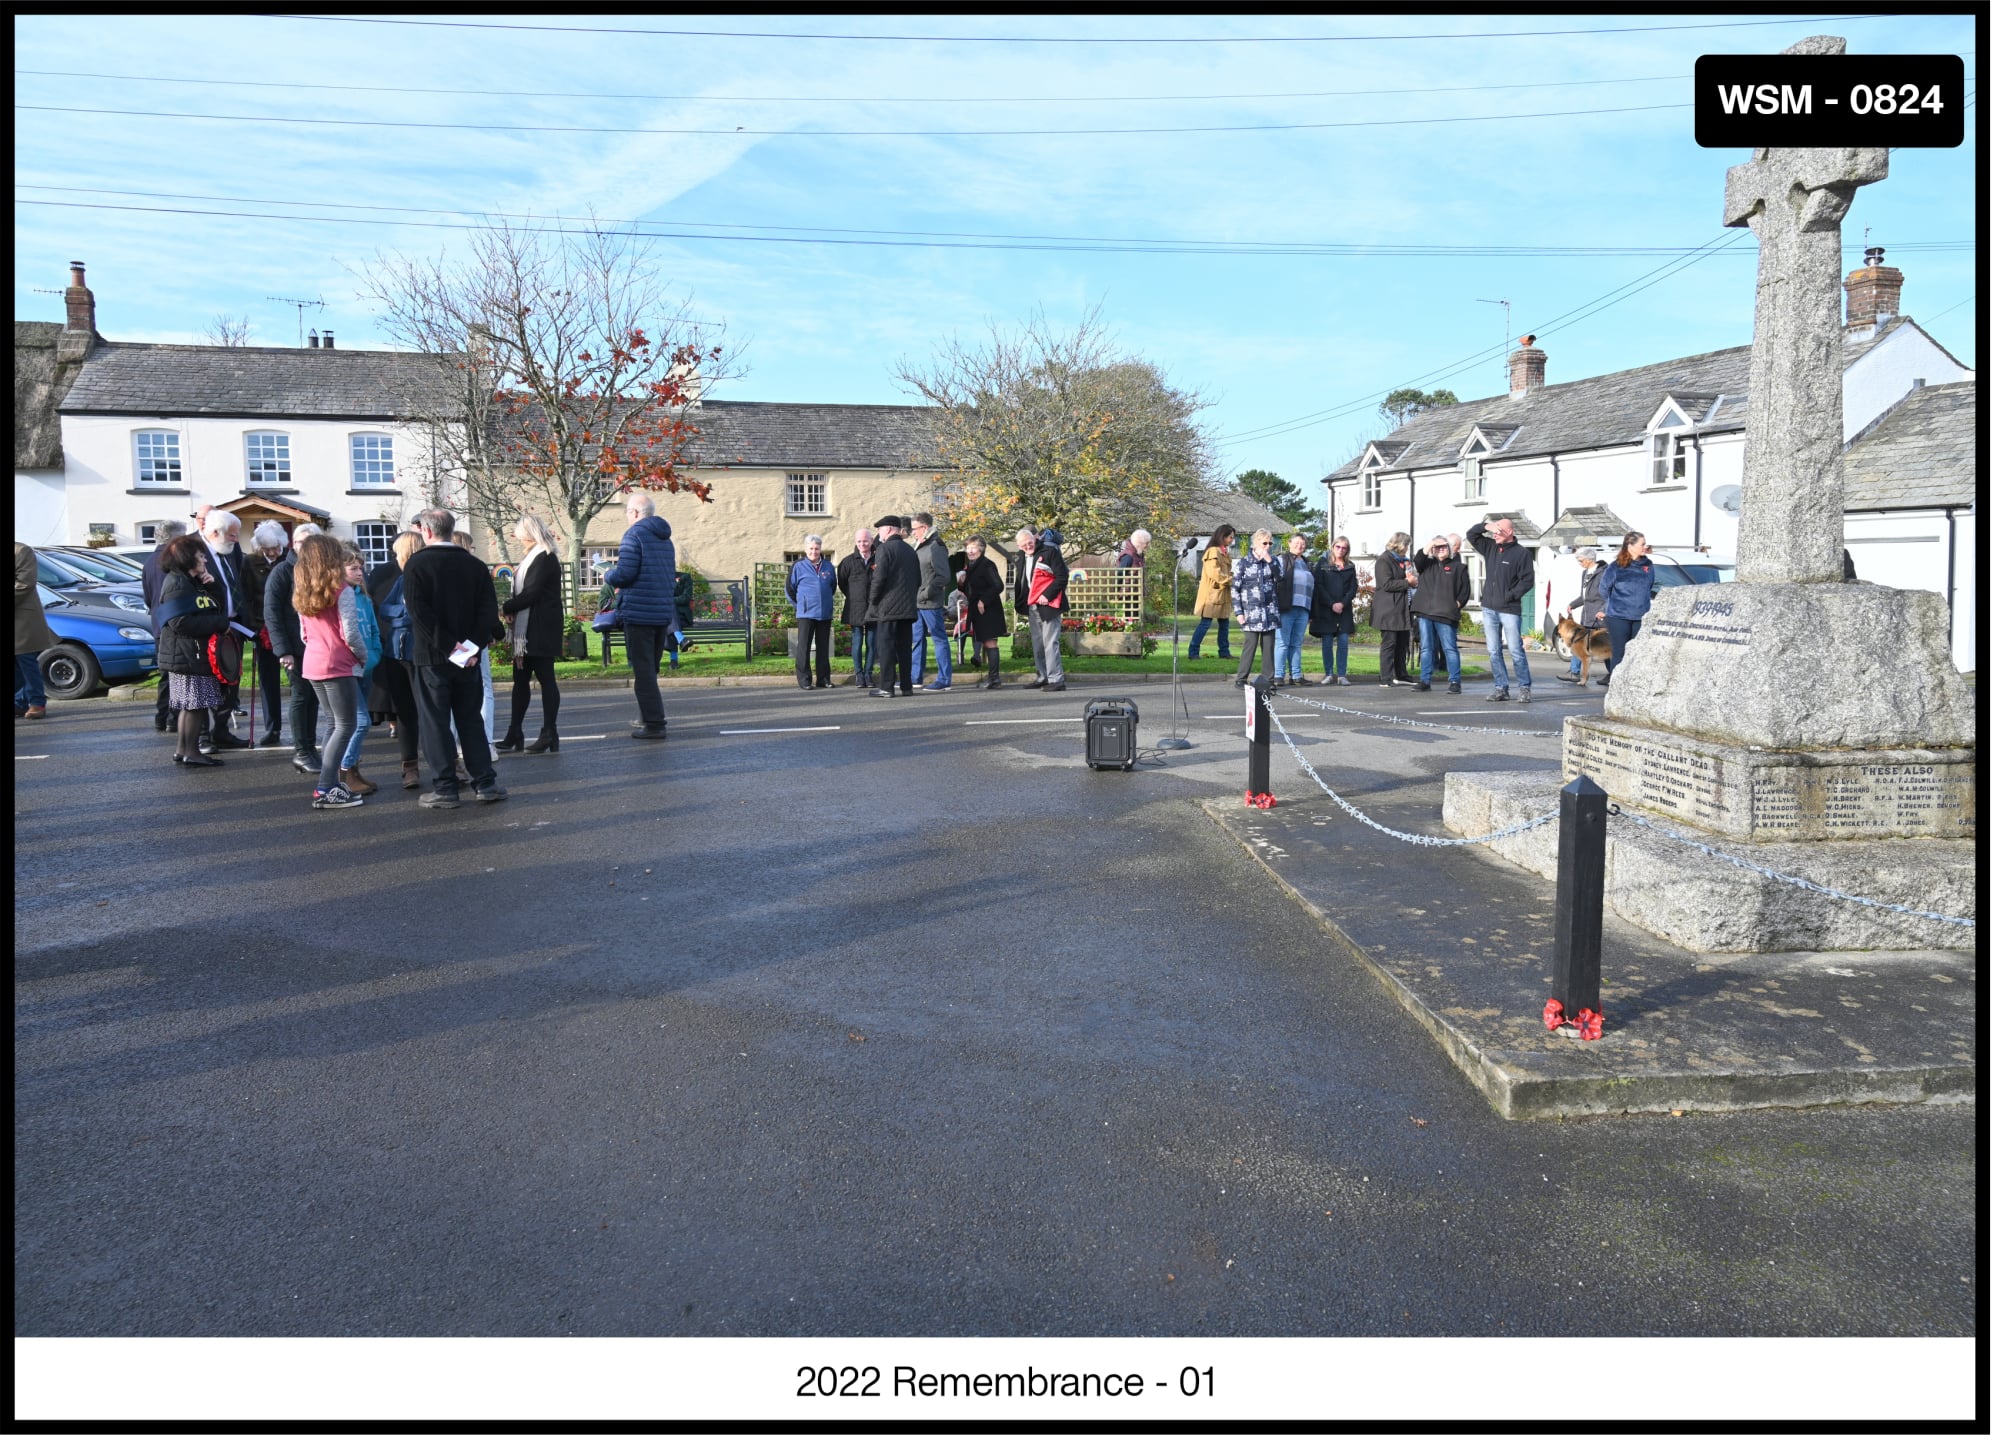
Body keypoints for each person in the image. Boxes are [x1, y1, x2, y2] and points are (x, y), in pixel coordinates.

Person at [402, 508, 507, 807]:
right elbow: (487, 611)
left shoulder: (416, 564)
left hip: (433, 656)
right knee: (470, 719)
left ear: (427, 530)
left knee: (435, 722)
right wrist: (469, 649)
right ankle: (485, 782)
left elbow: (420, 613)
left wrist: (451, 648)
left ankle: (446, 787)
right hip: (467, 658)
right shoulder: (474, 565)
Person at [288, 535, 370, 808]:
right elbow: (350, 633)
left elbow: (303, 634)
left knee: (333, 724)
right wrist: (363, 657)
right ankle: (326, 787)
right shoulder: (341, 590)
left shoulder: (302, 592)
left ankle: (330, 784)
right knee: (346, 725)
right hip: (337, 663)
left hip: (313, 662)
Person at [600, 493, 681, 740]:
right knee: (651, 669)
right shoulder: (665, 539)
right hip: (661, 613)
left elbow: (625, 574)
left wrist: (607, 574)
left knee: (643, 672)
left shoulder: (633, 535)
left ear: (635, 513)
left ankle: (655, 724)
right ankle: (648, 716)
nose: (626, 516)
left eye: (627, 511)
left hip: (639, 612)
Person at [153, 534, 232, 767]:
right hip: (187, 654)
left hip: (189, 653)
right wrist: (220, 625)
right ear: (187, 558)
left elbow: (213, 608)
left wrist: (213, 586)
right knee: (195, 705)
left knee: (192, 705)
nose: (205, 560)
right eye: (200, 556)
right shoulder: (177, 583)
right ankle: (191, 752)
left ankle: (183, 749)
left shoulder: (189, 581)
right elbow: (180, 622)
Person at [497, 513, 565, 752]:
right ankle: (515, 732)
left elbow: (532, 593)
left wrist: (506, 607)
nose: (516, 537)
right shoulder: (532, 557)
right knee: (520, 681)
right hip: (528, 629)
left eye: (518, 533)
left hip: (540, 628)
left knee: (546, 679)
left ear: (527, 534)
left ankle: (549, 732)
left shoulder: (544, 558)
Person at [266, 521, 325, 776]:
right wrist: (283, 650)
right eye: (301, 542)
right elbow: (272, 613)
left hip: (317, 646)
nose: (305, 547)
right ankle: (302, 751)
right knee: (301, 696)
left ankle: (310, 748)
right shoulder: (282, 572)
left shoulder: (320, 570)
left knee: (314, 699)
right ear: (294, 544)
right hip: (295, 648)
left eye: (310, 542)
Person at [368, 530, 425, 788]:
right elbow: (386, 610)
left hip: (414, 650)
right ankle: (410, 766)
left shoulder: (421, 574)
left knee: (426, 712)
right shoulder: (390, 576)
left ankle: (418, 766)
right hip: (399, 651)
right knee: (406, 712)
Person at [1465, 516, 1537, 703]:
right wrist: (1485, 526)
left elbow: (1527, 581)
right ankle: (1501, 688)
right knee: (1493, 651)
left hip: (1509, 610)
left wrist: (1510, 595)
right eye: (1493, 532)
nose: (1495, 535)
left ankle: (1524, 688)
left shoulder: (1522, 554)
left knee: (1515, 650)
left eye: (1499, 531)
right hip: (1489, 608)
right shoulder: (1491, 547)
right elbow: (1471, 535)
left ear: (1510, 533)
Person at [333, 542, 384, 796]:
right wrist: (358, 657)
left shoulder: (363, 597)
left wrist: (374, 654)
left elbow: (373, 629)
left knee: (357, 722)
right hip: (349, 667)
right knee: (360, 722)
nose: (359, 572)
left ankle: (353, 770)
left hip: (368, 665)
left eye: (361, 568)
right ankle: (344, 769)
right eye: (353, 568)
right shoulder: (339, 596)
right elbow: (345, 634)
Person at [197, 510, 252, 750]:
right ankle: (201, 738)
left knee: (230, 683)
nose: (236, 540)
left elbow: (236, 585)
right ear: (215, 533)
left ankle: (221, 731)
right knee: (206, 685)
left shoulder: (228, 551)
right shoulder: (195, 554)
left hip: (233, 628)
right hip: (208, 630)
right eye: (232, 535)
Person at [242, 522, 290, 745]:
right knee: (268, 680)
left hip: (290, 627)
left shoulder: (290, 559)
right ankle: (273, 728)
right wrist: (252, 626)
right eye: (266, 548)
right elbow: (246, 596)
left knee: (298, 681)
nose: (272, 552)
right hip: (263, 629)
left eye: (276, 547)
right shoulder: (249, 562)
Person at [448, 531, 498, 740]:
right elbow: (487, 606)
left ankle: (453, 741)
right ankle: (486, 740)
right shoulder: (477, 569)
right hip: (475, 638)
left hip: (451, 639)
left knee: (449, 691)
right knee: (484, 687)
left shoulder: (442, 570)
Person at [142, 520, 188, 733]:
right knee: (177, 673)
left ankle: (162, 716)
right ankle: (173, 717)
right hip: (175, 625)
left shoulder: (149, 561)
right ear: (174, 540)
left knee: (165, 674)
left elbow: (147, 597)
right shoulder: (172, 562)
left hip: (159, 625)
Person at [1410, 535, 1471, 694]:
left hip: (1445, 615)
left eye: (1444, 546)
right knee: (1426, 648)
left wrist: (1456, 604)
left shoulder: (1459, 567)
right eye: (1438, 547)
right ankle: (1425, 680)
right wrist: (1432, 542)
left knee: (1450, 648)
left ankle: (1454, 682)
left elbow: (1464, 592)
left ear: (1450, 549)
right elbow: (1418, 558)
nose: (1441, 549)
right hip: (1425, 613)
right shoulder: (1427, 565)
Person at [867, 514, 920, 697]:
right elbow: (918, 580)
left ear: (888, 529)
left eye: (880, 529)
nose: (879, 534)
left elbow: (878, 578)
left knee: (886, 648)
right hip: (907, 608)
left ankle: (887, 687)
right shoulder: (910, 550)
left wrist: (873, 600)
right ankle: (906, 686)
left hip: (888, 608)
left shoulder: (885, 549)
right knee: (905, 648)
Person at [1013, 525, 1069, 692]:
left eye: (1030, 543)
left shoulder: (1050, 552)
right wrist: (1020, 603)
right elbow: (1021, 582)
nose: (1028, 547)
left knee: (1050, 643)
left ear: (1035, 539)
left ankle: (1056, 680)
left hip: (1049, 604)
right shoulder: (1020, 557)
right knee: (1038, 643)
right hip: (1032, 606)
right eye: (1024, 545)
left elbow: (1062, 576)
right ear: (1018, 546)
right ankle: (1043, 676)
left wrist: (1048, 595)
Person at [1596, 531, 1655, 685]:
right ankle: (1617, 685)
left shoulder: (1647, 565)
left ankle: (1634, 685)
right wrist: (1615, 603)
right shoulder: (1616, 567)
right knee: (1619, 653)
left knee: (1637, 653)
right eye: (1642, 544)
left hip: (1640, 616)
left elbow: (1649, 586)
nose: (1645, 547)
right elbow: (1603, 589)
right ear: (1630, 546)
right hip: (1618, 617)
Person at [786, 534, 838, 690]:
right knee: (804, 648)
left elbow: (832, 587)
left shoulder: (828, 566)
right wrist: (801, 605)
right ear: (805, 549)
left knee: (823, 648)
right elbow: (790, 589)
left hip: (824, 613)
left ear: (820, 549)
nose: (814, 551)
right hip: (806, 614)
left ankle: (823, 679)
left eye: (816, 548)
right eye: (811, 548)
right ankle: (804, 680)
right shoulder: (798, 566)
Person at [1230, 529, 1281, 687]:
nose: (1267, 546)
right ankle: (1241, 679)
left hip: (1269, 613)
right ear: (1256, 543)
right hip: (1251, 613)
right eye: (1264, 543)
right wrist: (1238, 612)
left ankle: (1268, 680)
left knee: (1268, 648)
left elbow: (1281, 578)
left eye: (1270, 543)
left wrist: (1270, 561)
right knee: (1249, 646)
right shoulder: (1244, 563)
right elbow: (1235, 589)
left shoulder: (1273, 561)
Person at [910, 512, 953, 691]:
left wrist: (926, 594)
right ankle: (915, 678)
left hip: (930, 602)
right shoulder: (919, 545)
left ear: (924, 528)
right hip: (917, 603)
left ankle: (944, 680)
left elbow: (944, 576)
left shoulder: (936, 546)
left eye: (914, 529)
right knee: (917, 639)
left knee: (939, 639)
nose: (912, 532)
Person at [15, 542, 56, 720]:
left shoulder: (21, 551)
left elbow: (25, 583)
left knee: (26, 660)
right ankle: (19, 703)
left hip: (22, 618)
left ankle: (37, 703)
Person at [1310, 536, 1359, 685]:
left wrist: (1342, 603)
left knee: (1343, 642)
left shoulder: (1350, 565)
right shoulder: (1323, 564)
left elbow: (1353, 588)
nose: (1340, 550)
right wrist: (1332, 604)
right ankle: (1329, 674)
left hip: (1344, 610)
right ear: (1332, 547)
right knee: (1327, 642)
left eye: (1344, 548)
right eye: (1338, 547)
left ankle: (1342, 675)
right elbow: (1319, 586)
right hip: (1326, 609)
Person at [961, 535, 1007, 689]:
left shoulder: (987, 565)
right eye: (968, 548)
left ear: (981, 548)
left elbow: (998, 586)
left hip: (988, 609)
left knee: (990, 642)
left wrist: (983, 600)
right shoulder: (972, 565)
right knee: (986, 642)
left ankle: (994, 679)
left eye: (973, 547)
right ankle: (993, 678)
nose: (970, 551)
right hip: (978, 609)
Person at [1371, 533, 1415, 687]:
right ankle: (1386, 678)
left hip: (1403, 608)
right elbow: (1386, 584)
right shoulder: (1384, 560)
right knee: (1389, 644)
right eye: (1406, 545)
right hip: (1389, 609)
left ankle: (1401, 674)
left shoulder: (1404, 562)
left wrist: (1412, 581)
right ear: (1399, 545)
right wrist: (1407, 582)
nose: (1408, 548)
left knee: (1402, 643)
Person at [1558, 548, 1608, 684]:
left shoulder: (1604, 573)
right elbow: (1584, 596)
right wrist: (1573, 604)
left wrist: (1604, 610)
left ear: (1589, 559)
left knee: (1606, 646)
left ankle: (1612, 673)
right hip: (1587, 616)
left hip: (1599, 617)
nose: (1579, 563)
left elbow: (1608, 596)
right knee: (1577, 644)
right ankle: (1574, 672)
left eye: (1580, 561)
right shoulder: (1585, 573)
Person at [836, 528, 875, 689]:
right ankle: (859, 674)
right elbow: (842, 583)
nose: (862, 544)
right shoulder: (847, 562)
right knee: (857, 642)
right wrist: (855, 597)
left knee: (872, 643)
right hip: (855, 607)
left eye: (865, 541)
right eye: (859, 541)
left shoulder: (879, 559)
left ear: (871, 541)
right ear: (855, 542)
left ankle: (869, 674)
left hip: (874, 607)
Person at [1273, 532, 1314, 685]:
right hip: (1286, 607)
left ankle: (1296, 676)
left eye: (1302, 544)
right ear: (1289, 543)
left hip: (1303, 608)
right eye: (1296, 543)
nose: (1300, 546)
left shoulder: (1308, 563)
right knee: (1283, 642)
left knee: (1296, 643)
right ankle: (1278, 675)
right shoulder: (1282, 559)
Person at [1188, 526, 1235, 660]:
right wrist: (1231, 580)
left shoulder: (1224, 552)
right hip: (1212, 595)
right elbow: (1215, 573)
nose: (1232, 540)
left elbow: (1226, 572)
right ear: (1223, 536)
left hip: (1223, 594)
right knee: (1205, 623)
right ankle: (1193, 652)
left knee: (1224, 624)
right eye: (1230, 537)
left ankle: (1224, 652)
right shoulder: (1213, 552)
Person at [670, 569, 694, 669]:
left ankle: (674, 660)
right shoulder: (659, 578)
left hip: (682, 616)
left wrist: (668, 600)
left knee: (669, 619)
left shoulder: (685, 576)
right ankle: (681, 639)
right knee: (670, 623)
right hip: (669, 618)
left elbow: (686, 598)